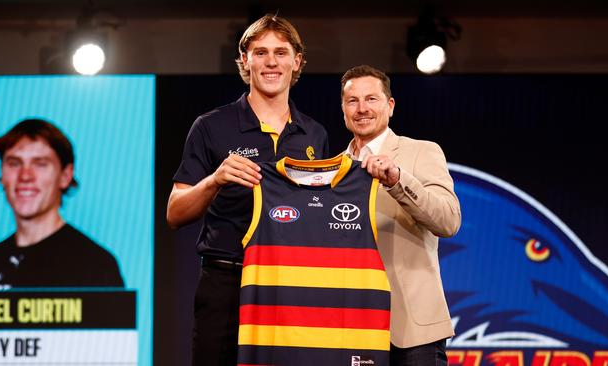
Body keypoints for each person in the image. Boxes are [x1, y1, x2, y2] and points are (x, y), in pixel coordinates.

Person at [166, 14, 329, 365]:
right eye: (261, 52)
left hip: (291, 283)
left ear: (297, 61)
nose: (272, 61)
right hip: (227, 281)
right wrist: (215, 179)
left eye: (281, 52)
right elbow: (175, 213)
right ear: (245, 60)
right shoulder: (211, 126)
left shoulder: (315, 134)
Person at [341, 65, 461, 366]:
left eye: (371, 99)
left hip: (413, 332)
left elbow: (448, 220)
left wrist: (397, 180)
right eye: (352, 101)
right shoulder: (333, 169)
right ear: (343, 108)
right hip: (352, 327)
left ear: (390, 106)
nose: (362, 109)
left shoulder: (422, 152)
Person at [0, 119, 124, 288]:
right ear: (2, 175)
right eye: (14, 163)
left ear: (65, 176)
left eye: (40, 164)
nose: (25, 176)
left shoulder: (96, 266)